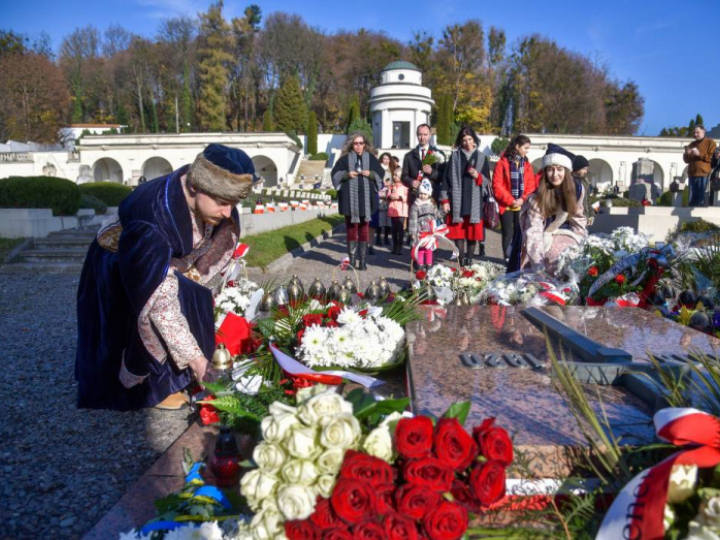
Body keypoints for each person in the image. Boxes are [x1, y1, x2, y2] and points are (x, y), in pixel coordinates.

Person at [76, 144, 256, 411]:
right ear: (196, 188)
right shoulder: (151, 217)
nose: (229, 213)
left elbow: (202, 258)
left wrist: (189, 276)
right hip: (121, 263)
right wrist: (198, 363)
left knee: (187, 297)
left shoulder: (208, 196)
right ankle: (149, 388)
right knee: (143, 320)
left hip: (166, 261)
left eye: (234, 204)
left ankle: (177, 376)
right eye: (222, 203)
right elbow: (159, 302)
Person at [510, 144, 588, 276]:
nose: (555, 175)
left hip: (566, 235)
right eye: (550, 170)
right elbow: (534, 232)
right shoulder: (537, 197)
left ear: (566, 171)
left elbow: (578, 218)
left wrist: (581, 244)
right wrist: (538, 266)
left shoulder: (577, 190)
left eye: (559, 169)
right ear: (545, 172)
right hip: (541, 237)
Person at [331, 132, 385, 270]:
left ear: (365, 144)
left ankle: (363, 261)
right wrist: (346, 175)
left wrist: (371, 174)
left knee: (364, 229)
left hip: (366, 201)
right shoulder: (344, 160)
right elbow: (335, 174)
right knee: (351, 229)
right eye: (356, 143)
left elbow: (380, 174)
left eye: (361, 143)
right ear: (351, 144)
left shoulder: (371, 159)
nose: (359, 146)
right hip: (349, 201)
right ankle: (353, 261)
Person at [440, 126, 491, 267]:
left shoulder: (481, 157)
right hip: (457, 201)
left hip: (474, 202)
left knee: (472, 233)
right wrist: (444, 201)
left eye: (470, 139)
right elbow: (446, 179)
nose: (467, 143)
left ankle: (469, 261)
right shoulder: (455, 156)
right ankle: (461, 261)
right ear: (460, 142)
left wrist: (478, 176)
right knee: (458, 233)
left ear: (474, 140)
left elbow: (488, 183)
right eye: (464, 140)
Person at [492, 134, 538, 261]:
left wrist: (522, 199)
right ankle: (507, 257)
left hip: (521, 205)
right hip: (506, 205)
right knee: (507, 233)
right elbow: (497, 185)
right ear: (517, 147)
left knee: (521, 233)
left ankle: (518, 257)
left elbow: (531, 185)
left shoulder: (527, 164)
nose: (527, 151)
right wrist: (511, 200)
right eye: (525, 148)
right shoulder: (502, 163)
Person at [409, 179, 440, 271]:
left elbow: (436, 215)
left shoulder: (432, 205)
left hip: (430, 232)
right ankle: (420, 266)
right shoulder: (415, 205)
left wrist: (443, 212)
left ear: (429, 195)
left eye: (425, 194)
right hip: (420, 231)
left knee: (429, 250)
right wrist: (413, 233)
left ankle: (429, 266)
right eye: (421, 193)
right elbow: (413, 220)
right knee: (420, 249)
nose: (422, 196)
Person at [683, 125, 717, 207]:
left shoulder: (711, 143)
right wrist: (687, 154)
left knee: (701, 199)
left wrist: (699, 154)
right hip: (692, 174)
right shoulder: (692, 144)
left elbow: (712, 158)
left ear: (704, 131)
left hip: (704, 174)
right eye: (694, 133)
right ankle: (690, 218)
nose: (695, 134)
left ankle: (699, 216)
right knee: (692, 200)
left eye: (697, 132)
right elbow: (686, 160)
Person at [387, 168, 409, 255]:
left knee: (400, 229)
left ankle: (399, 247)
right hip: (393, 210)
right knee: (394, 230)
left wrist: (400, 197)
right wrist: (389, 197)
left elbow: (408, 198)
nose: (394, 176)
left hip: (401, 211)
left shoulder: (405, 187)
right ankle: (394, 246)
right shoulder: (392, 186)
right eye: (394, 175)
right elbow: (388, 195)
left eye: (396, 175)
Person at [376, 152, 394, 246]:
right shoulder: (378, 169)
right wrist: (383, 184)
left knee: (389, 219)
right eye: (384, 159)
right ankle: (378, 237)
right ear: (381, 159)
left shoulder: (392, 170)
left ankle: (386, 238)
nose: (386, 160)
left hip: (389, 196)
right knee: (380, 219)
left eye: (387, 159)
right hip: (380, 195)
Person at [571, 155, 593, 226]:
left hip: (583, 221)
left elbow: (587, 201)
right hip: (571, 222)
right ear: (576, 168)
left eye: (586, 169)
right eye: (584, 169)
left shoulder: (584, 183)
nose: (586, 171)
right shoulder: (568, 182)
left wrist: (591, 215)